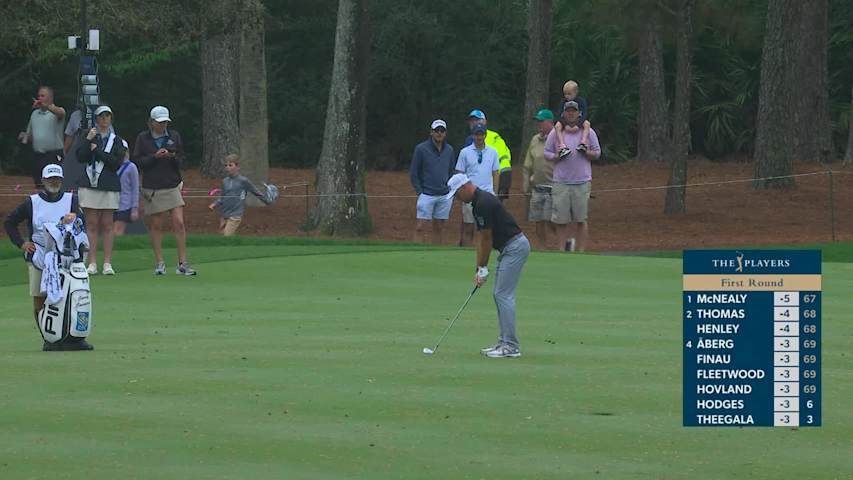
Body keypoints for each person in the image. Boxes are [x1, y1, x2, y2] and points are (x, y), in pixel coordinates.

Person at [4, 164, 93, 351]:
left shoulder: (71, 200)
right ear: (43, 181)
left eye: (57, 179)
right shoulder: (32, 202)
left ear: (61, 180)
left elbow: (82, 225)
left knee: (68, 298)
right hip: (39, 256)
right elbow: (10, 222)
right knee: (40, 298)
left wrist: (75, 218)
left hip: (66, 258)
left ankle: (70, 337)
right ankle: (49, 338)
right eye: (50, 179)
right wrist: (22, 244)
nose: (54, 182)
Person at [445, 173, 530, 358]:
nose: (457, 199)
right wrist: (479, 267)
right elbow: (481, 238)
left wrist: (483, 268)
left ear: (464, 188)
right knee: (500, 294)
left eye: (457, 194)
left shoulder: (482, 203)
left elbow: (486, 239)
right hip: (510, 248)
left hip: (515, 247)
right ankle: (504, 342)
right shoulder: (479, 201)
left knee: (503, 295)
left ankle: (511, 346)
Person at [132, 106, 196, 275]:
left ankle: (183, 263)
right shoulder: (143, 138)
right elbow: (138, 161)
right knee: (156, 224)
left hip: (172, 183)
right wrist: (155, 157)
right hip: (153, 186)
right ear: (152, 122)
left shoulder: (174, 136)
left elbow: (182, 159)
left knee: (179, 222)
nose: (163, 125)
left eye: (165, 122)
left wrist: (172, 156)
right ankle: (160, 263)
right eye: (160, 122)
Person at [74, 106, 126, 275]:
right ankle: (92, 262)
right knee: (91, 223)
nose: (104, 119)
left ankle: (107, 263)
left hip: (108, 185)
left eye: (107, 116)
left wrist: (97, 150)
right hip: (89, 184)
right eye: (101, 116)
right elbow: (80, 157)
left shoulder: (117, 141)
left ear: (111, 118)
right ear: (96, 119)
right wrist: (88, 140)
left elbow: (115, 163)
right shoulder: (88, 135)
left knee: (108, 224)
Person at [544, 100, 601, 252]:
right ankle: (562, 250)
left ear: (579, 113)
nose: (571, 114)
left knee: (581, 219)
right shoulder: (556, 132)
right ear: (563, 113)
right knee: (561, 220)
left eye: (573, 111)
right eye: (568, 111)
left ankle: (580, 251)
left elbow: (597, 153)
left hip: (582, 181)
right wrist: (556, 156)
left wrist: (586, 152)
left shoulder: (588, 132)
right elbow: (547, 153)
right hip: (561, 182)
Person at [409, 119, 455, 244]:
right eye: (436, 130)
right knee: (420, 227)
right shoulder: (421, 149)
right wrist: (420, 192)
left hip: (444, 195)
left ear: (445, 133)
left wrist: (450, 190)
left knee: (439, 227)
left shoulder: (449, 150)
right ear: (431, 132)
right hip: (426, 194)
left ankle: (436, 252)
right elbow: (414, 173)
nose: (439, 133)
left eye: (442, 131)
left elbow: (451, 171)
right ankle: (417, 253)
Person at [455, 123, 500, 246]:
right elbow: (459, 174)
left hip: (487, 195)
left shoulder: (493, 152)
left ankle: (485, 252)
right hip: (470, 195)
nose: (479, 137)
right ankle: (466, 252)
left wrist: (495, 193)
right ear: (472, 135)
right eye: (476, 134)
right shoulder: (465, 152)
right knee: (468, 227)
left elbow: (495, 173)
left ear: (485, 135)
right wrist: (462, 194)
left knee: (486, 229)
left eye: (481, 134)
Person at [208, 154, 273, 236]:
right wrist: (214, 204)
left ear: (238, 167)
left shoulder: (243, 181)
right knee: (223, 237)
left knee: (226, 236)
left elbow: (256, 192)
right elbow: (222, 196)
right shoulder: (225, 181)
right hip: (224, 214)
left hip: (235, 214)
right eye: (226, 165)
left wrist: (267, 201)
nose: (227, 167)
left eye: (230, 165)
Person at [18, 86, 66, 187]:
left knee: (52, 185)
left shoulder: (57, 112)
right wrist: (25, 136)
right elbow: (32, 136)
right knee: (39, 183)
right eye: (39, 96)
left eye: (43, 96)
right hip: (38, 155)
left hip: (53, 155)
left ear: (50, 98)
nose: (39, 98)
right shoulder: (34, 114)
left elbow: (61, 113)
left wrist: (47, 106)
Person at [522, 109, 557, 249]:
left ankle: (565, 241)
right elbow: (527, 164)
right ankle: (543, 248)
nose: (539, 124)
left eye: (541, 121)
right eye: (538, 122)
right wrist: (526, 185)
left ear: (550, 122)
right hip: (537, 186)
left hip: (554, 186)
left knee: (550, 220)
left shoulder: (557, 138)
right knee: (538, 220)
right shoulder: (535, 140)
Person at [462, 110, 512, 201]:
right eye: (472, 121)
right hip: (495, 176)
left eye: (477, 120)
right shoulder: (470, 140)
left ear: (484, 122)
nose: (474, 123)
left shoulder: (491, 138)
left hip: (497, 177)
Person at [554, 80, 592, 158]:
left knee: (587, 124)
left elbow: (584, 114)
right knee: (557, 126)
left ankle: (583, 142)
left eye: (569, 94)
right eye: (565, 94)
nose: (567, 96)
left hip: (578, 120)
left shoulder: (581, 101)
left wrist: (578, 125)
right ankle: (562, 145)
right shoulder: (563, 102)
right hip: (565, 121)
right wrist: (565, 125)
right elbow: (559, 114)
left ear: (575, 92)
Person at [112, 153, 140, 236]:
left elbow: (135, 188)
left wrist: (134, 208)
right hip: (112, 203)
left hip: (125, 204)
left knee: (117, 230)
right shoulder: (111, 165)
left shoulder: (131, 167)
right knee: (111, 230)